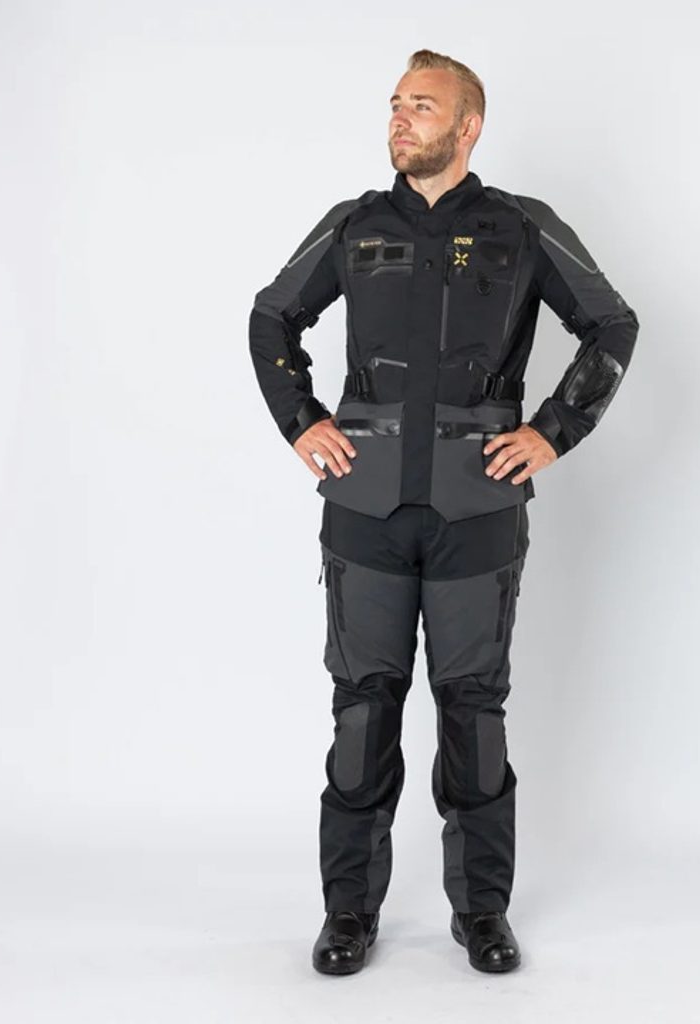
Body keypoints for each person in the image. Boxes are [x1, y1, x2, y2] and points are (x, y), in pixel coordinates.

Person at [248, 48, 639, 976]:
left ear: (468, 127)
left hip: (477, 510)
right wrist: (302, 420)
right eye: (395, 103)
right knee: (362, 711)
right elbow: (271, 319)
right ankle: (349, 912)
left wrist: (553, 431)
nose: (400, 116)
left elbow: (612, 324)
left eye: (421, 105)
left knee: (473, 713)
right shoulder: (353, 225)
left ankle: (482, 911)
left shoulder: (522, 227)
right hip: (367, 508)